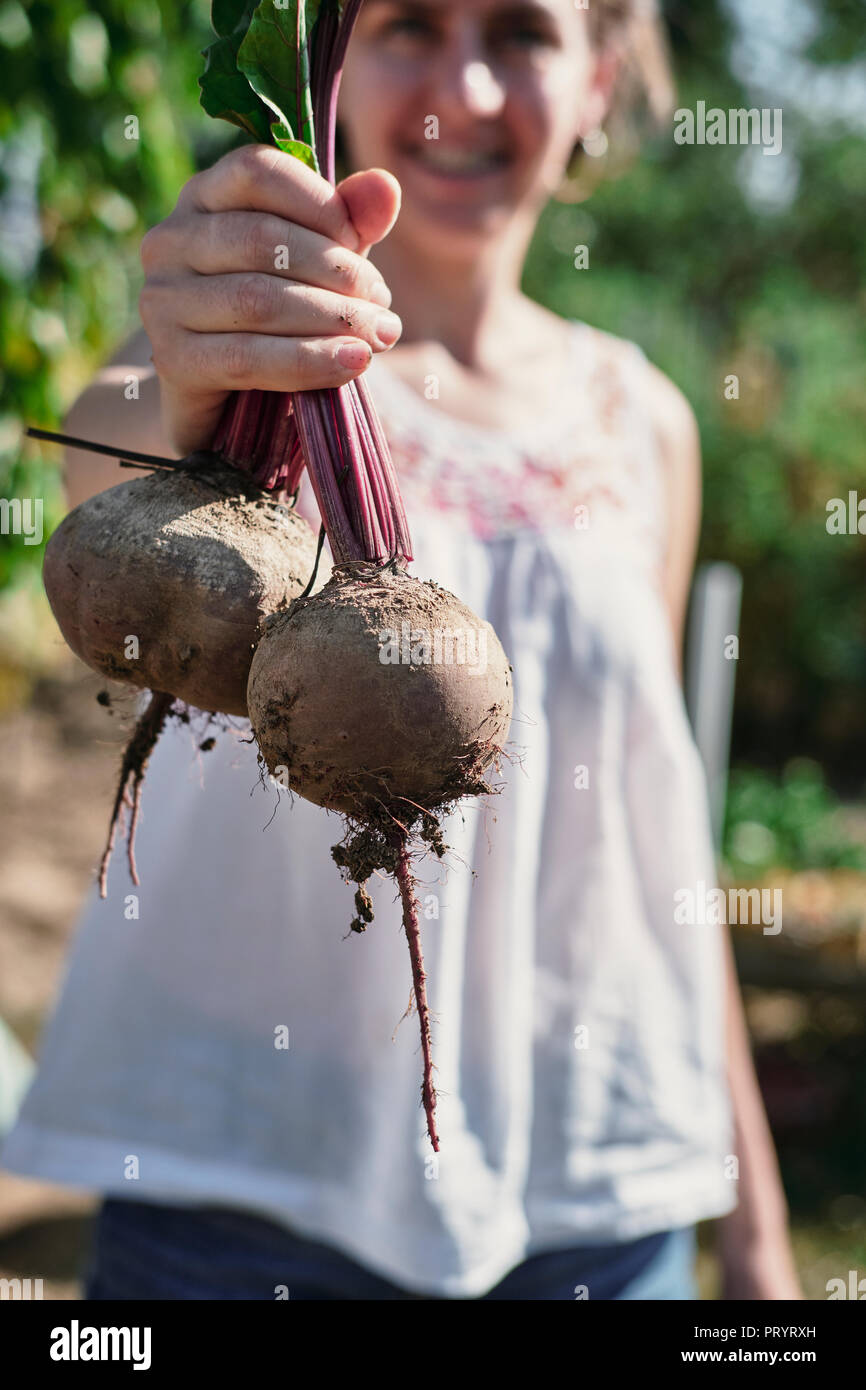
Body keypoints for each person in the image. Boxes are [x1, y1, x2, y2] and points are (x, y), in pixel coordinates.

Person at [1, 0, 803, 1300]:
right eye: (409, 25)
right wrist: (174, 358)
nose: (462, 87)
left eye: (519, 35)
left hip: (596, 1196)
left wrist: (752, 1217)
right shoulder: (240, 357)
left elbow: (663, 839)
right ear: (335, 65)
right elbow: (113, 467)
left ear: (598, 76)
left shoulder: (645, 422)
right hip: (239, 1186)